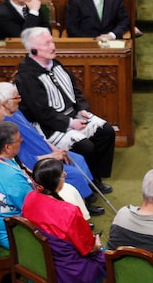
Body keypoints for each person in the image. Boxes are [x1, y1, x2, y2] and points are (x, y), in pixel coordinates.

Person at [15, 27, 116, 195]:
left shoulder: (55, 63)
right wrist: (70, 123)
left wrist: (82, 109)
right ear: (33, 50)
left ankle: (97, 178)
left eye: (52, 41)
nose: (52, 46)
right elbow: (41, 112)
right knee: (85, 147)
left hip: (73, 114)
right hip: (50, 126)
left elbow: (75, 90)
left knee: (106, 132)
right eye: (47, 44)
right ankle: (87, 186)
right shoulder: (27, 76)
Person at [0, 81, 104, 217]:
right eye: (16, 97)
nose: (20, 100)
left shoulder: (17, 112)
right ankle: (82, 207)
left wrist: (56, 150)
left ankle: (87, 195)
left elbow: (38, 136)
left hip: (47, 151)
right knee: (74, 173)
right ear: (6, 102)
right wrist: (53, 156)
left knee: (78, 159)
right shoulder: (7, 128)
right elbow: (26, 160)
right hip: (38, 161)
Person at [22, 158, 106, 283]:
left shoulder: (29, 197)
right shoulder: (69, 211)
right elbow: (88, 249)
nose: (65, 175)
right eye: (63, 174)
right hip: (68, 271)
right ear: (55, 181)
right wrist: (97, 245)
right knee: (107, 256)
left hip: (38, 260)